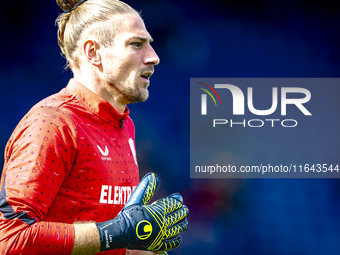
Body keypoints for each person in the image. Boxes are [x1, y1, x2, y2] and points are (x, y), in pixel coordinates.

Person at [0, 0, 189, 254]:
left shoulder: (124, 125)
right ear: (93, 52)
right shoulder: (52, 123)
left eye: (150, 45)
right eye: (136, 44)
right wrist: (115, 233)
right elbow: (10, 239)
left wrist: (141, 243)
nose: (153, 57)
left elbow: (111, 239)